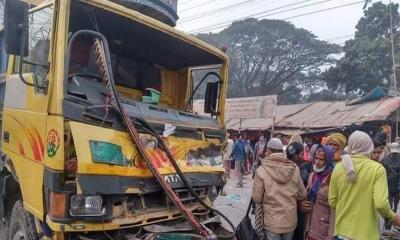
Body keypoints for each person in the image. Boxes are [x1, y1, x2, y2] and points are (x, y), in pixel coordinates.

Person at [328, 131, 400, 240]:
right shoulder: (377, 169)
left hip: (342, 233)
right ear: (369, 147)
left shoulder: (338, 167)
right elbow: (381, 204)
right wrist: (393, 218)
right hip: (366, 235)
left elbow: (332, 201)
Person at [252, 138, 307, 240]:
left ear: (269, 150)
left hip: (272, 222)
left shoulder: (262, 170)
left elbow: (257, 198)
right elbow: (302, 194)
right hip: (290, 221)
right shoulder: (294, 168)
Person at [304, 145, 335, 240]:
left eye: (321, 159)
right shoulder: (312, 176)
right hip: (310, 227)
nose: (317, 162)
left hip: (323, 231)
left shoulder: (333, 179)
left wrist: (330, 236)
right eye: (316, 158)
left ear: (328, 160)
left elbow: (334, 211)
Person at [286, 142, 311, 240]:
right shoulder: (300, 168)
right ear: (296, 156)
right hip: (296, 212)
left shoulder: (280, 167)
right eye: (301, 154)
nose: (303, 156)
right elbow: (303, 193)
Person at [382, 142, 400, 213]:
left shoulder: (385, 160)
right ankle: (394, 211)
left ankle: (388, 218)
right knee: (396, 200)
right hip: (398, 185)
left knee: (389, 200)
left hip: (388, 184)